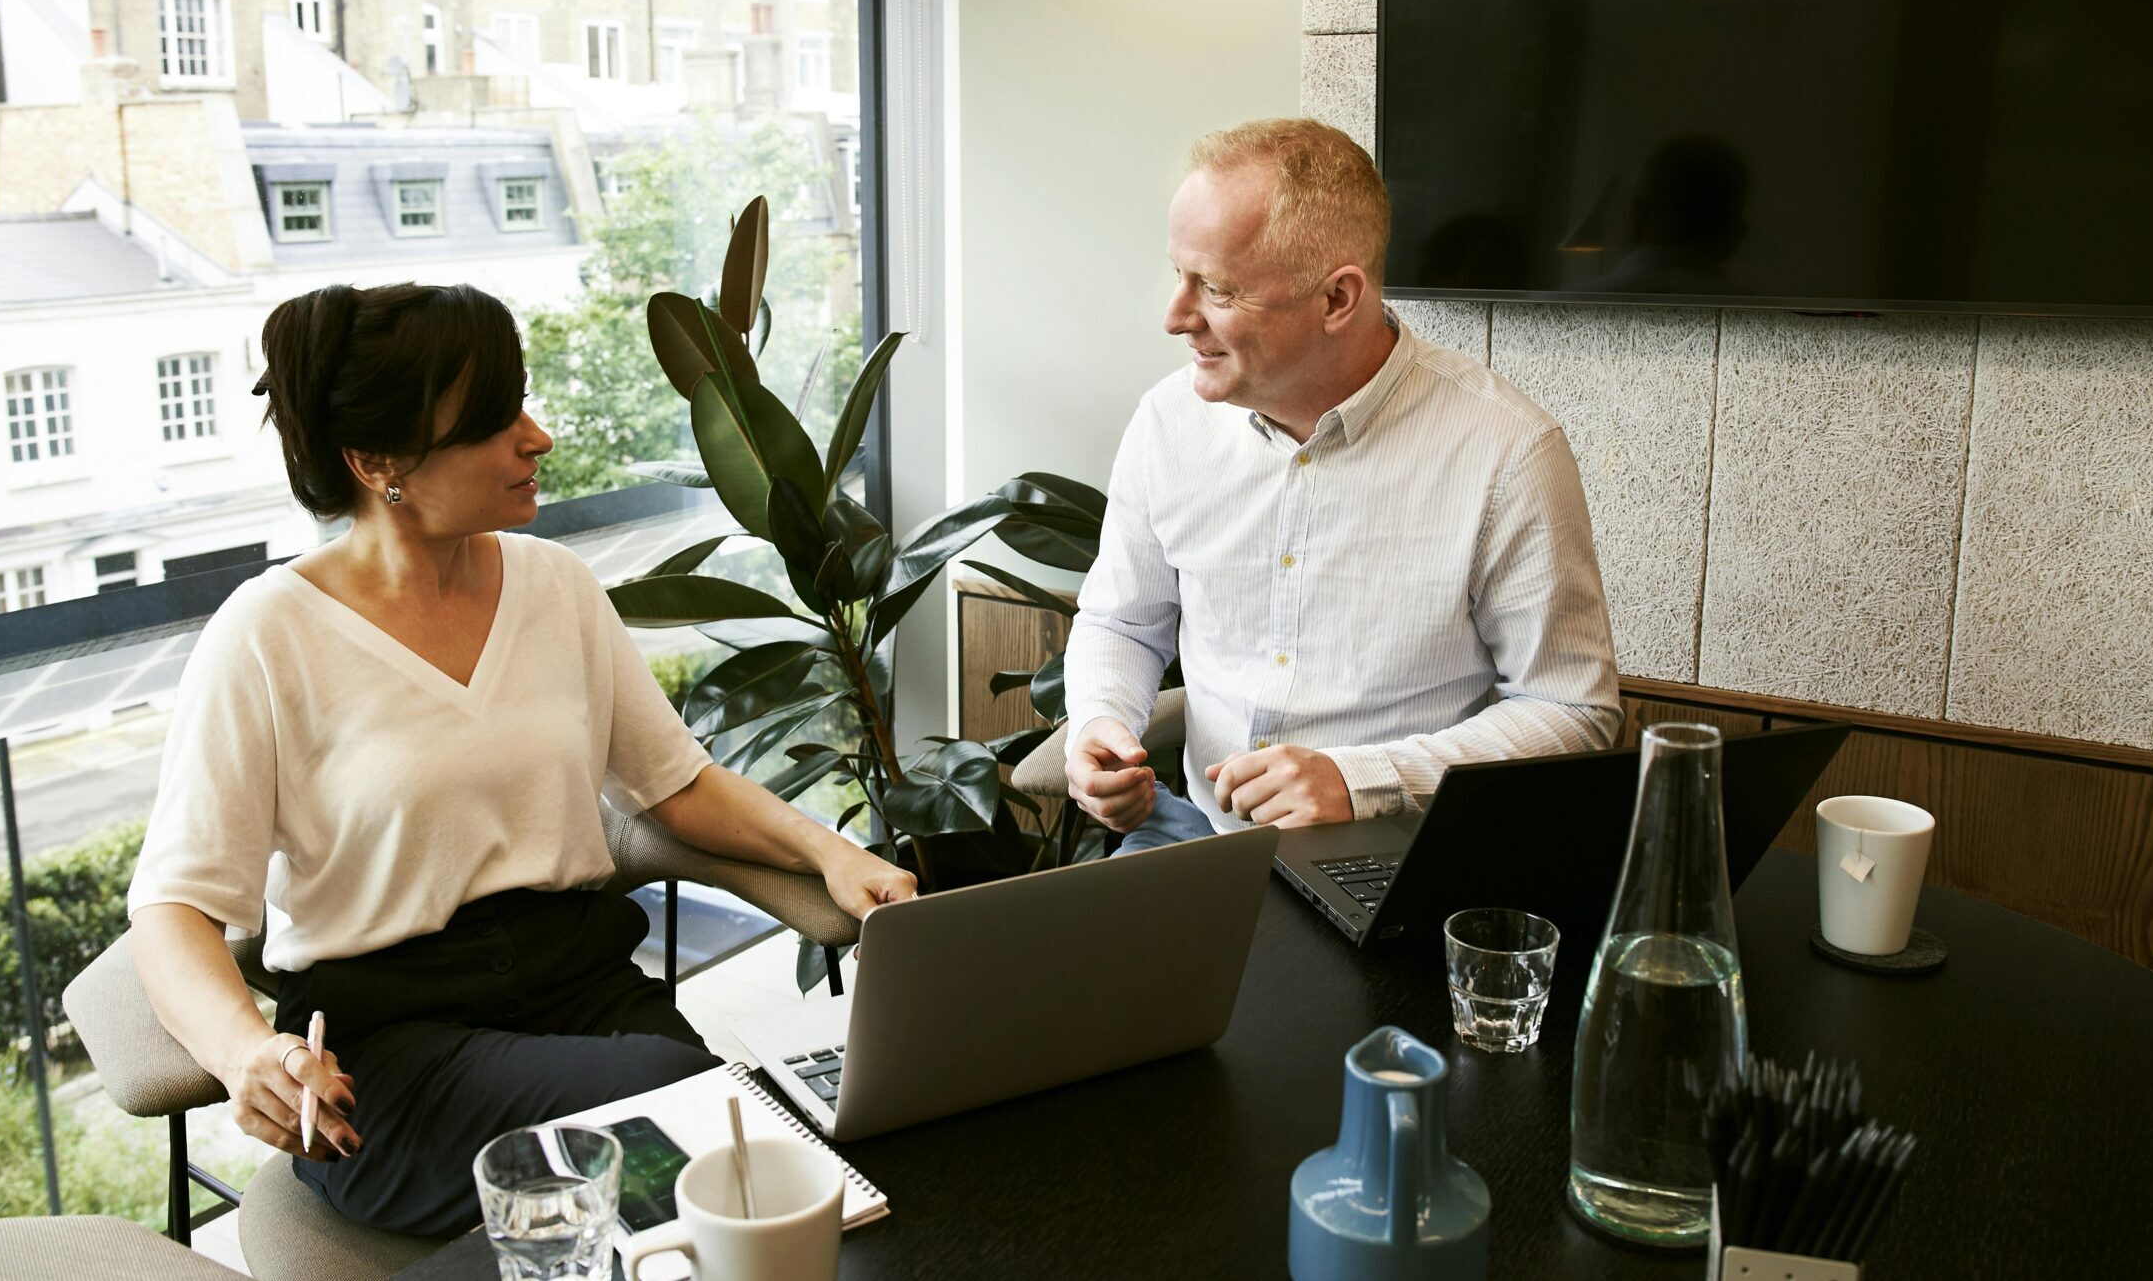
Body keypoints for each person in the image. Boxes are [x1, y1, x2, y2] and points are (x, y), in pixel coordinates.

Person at [125, 282, 915, 1237]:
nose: (535, 437)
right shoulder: (266, 634)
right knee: (701, 1133)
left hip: (587, 995)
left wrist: (832, 853)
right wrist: (243, 1048)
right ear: (380, 461)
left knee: (762, 1183)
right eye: (495, 422)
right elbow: (174, 908)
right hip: (399, 1058)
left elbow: (677, 785)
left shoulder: (555, 587)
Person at [1062, 119, 1621, 852]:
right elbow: (1121, 620)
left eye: (1218, 289)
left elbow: (1571, 709)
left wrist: (1364, 779)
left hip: (1400, 853)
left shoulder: (1507, 452)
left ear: (1337, 299)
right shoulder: (1167, 422)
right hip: (1194, 836)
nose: (1175, 317)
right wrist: (1102, 721)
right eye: (1179, 273)